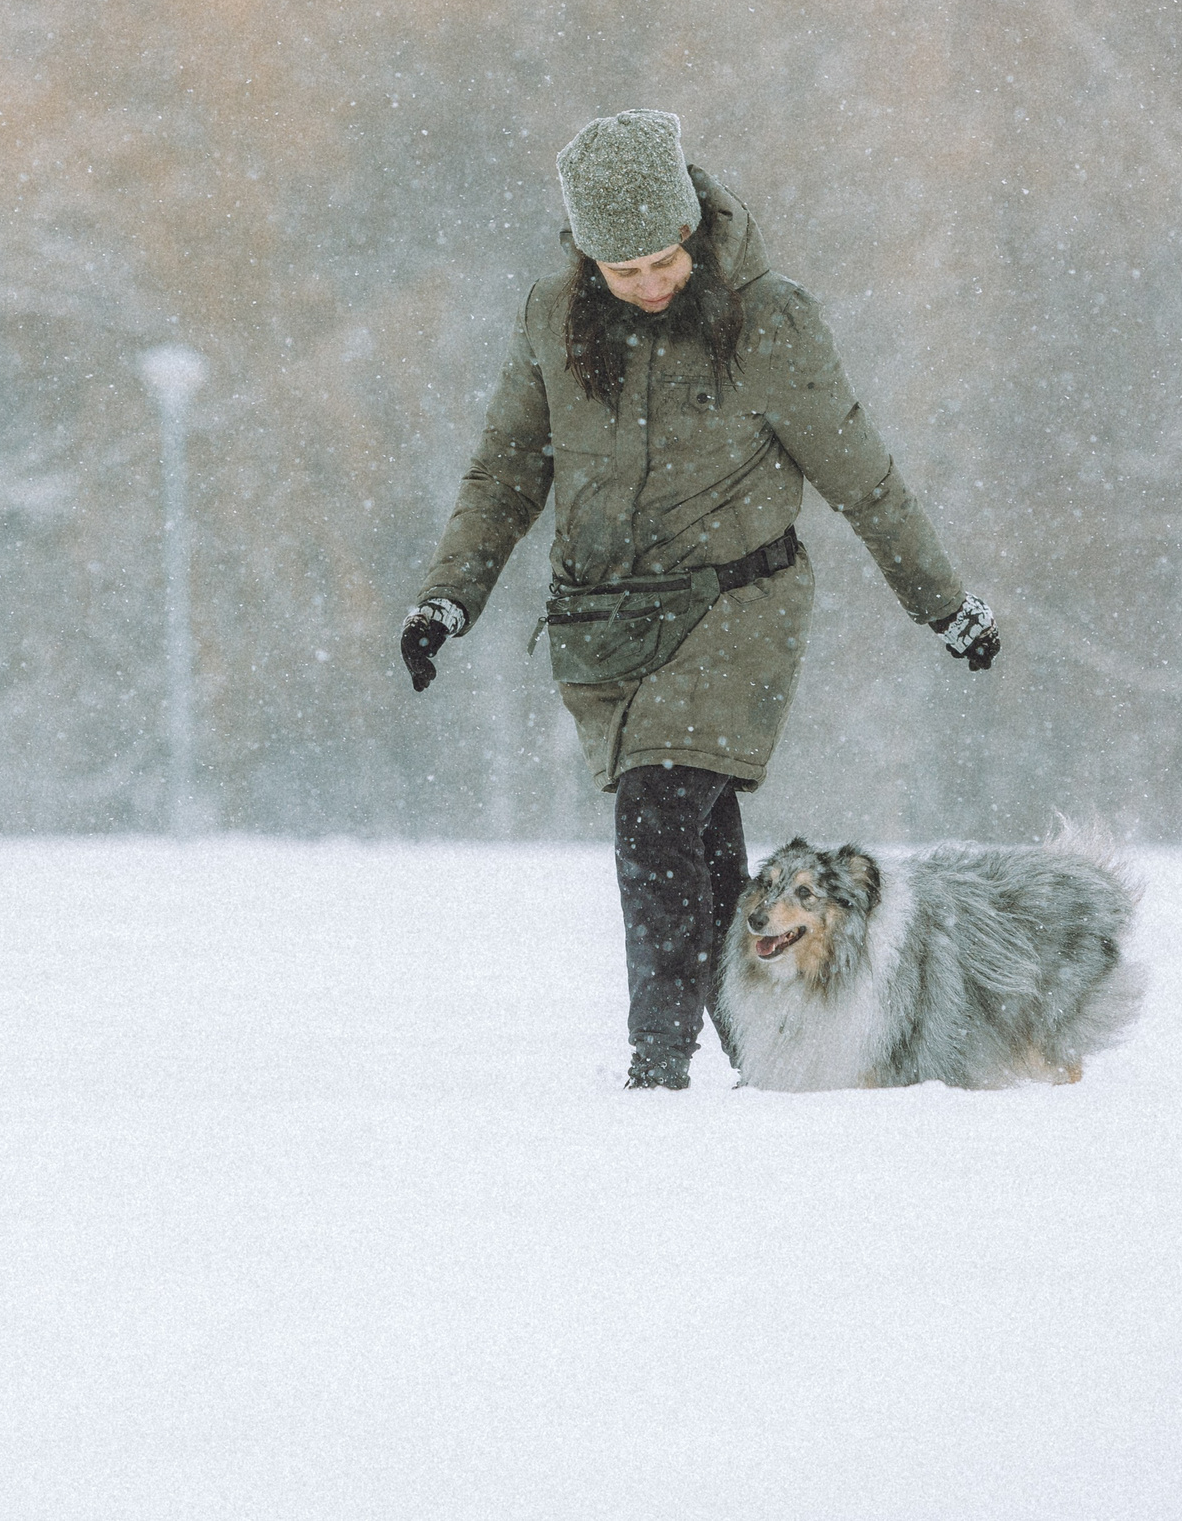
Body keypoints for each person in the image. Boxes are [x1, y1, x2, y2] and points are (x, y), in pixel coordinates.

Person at [399, 109, 999, 1090]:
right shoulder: (553, 321)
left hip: (736, 610)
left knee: (658, 812)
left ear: (691, 230)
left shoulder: (770, 322)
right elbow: (505, 474)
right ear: (586, 259)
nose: (644, 286)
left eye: (661, 261)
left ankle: (656, 1068)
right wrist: (445, 602)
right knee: (706, 854)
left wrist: (941, 603)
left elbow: (863, 477)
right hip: (606, 627)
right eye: (619, 269)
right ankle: (768, 1059)